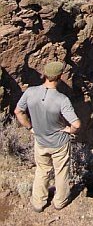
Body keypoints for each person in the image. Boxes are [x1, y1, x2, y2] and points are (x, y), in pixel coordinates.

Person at [14, 61, 81, 213]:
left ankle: (38, 202)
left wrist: (30, 127)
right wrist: (69, 130)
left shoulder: (30, 92)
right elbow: (76, 124)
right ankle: (60, 201)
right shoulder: (62, 99)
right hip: (59, 143)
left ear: (44, 75)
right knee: (61, 171)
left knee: (42, 170)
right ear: (59, 76)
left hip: (40, 141)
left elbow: (18, 111)